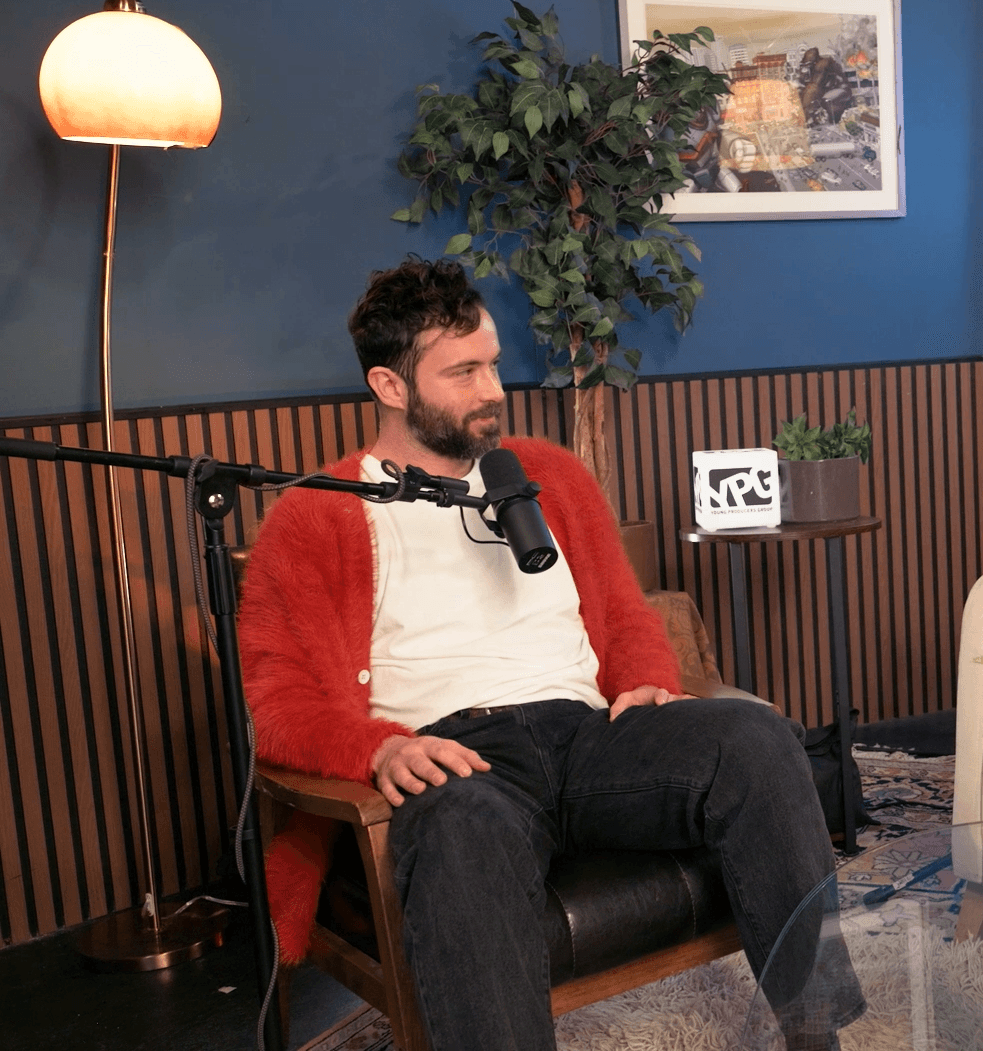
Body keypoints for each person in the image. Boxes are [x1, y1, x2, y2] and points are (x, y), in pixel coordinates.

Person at [238, 258, 864, 1051]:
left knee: (754, 738)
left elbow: (622, 611)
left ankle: (816, 1034)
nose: (491, 389)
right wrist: (380, 747)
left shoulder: (549, 478)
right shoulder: (317, 515)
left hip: (590, 736)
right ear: (390, 388)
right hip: (459, 760)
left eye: (491, 364)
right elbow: (275, 701)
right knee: (459, 829)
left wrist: (644, 680)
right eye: (461, 372)